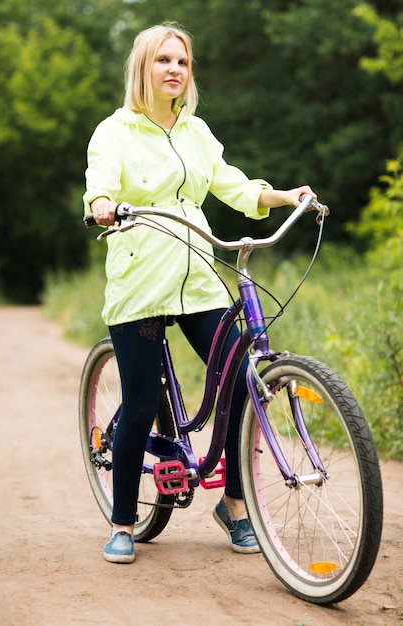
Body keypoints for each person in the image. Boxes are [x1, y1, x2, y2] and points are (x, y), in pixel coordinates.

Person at [83, 22, 317, 564]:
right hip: (141, 277)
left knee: (241, 382)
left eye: (182, 62)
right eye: (164, 60)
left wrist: (279, 196)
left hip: (196, 274)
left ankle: (234, 505)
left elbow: (228, 181)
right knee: (141, 401)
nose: (174, 70)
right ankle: (123, 522)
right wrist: (101, 203)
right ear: (144, 67)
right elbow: (99, 182)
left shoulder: (196, 131)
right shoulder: (114, 131)